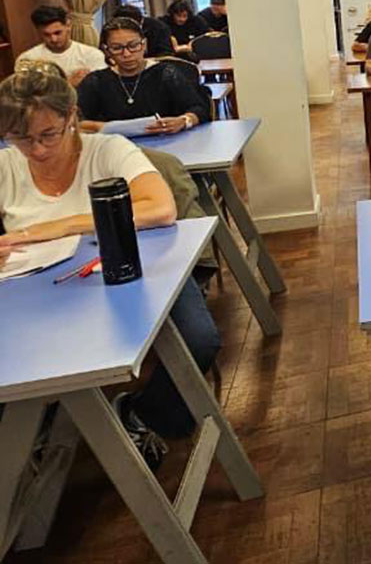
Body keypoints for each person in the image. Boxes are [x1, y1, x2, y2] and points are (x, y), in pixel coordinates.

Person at [0, 65, 220, 468]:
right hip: (38, 292)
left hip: (131, 267)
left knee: (198, 339)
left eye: (48, 134)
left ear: (71, 117)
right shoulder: (6, 165)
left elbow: (160, 208)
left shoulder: (107, 150)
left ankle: (144, 415)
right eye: (21, 138)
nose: (38, 150)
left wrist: (59, 226)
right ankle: (29, 436)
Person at [77, 17, 212, 134]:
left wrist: (184, 121)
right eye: (117, 48)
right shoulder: (96, 81)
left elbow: (199, 109)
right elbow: (74, 120)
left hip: (166, 141)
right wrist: (105, 127)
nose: (127, 54)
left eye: (133, 45)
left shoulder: (165, 74)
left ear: (144, 45)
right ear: (106, 50)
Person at [17, 6, 106, 88]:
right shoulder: (28, 59)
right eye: (46, 35)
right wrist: (68, 83)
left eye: (58, 33)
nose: (53, 39)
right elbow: (26, 94)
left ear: (68, 26)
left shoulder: (92, 55)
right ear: (38, 32)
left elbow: (101, 88)